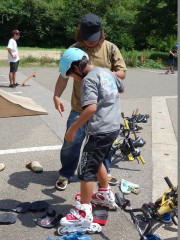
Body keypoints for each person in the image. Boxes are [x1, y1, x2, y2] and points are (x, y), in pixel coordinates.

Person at [53, 13, 127, 191]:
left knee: (103, 143)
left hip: (102, 110)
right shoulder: (75, 49)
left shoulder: (110, 48)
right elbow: (64, 76)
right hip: (80, 106)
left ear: (101, 33)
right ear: (80, 34)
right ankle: (66, 173)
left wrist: (100, 74)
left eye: (94, 39)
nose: (90, 42)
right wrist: (56, 95)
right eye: (87, 39)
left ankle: (104, 173)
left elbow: (122, 73)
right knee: (71, 141)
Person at [59, 47, 124, 228]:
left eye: (71, 75)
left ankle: (83, 212)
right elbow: (121, 89)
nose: (74, 78)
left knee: (86, 169)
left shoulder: (88, 80)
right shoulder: (107, 72)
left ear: (76, 67)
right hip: (113, 126)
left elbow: (90, 109)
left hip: (99, 130)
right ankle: (104, 193)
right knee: (97, 160)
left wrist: (72, 129)